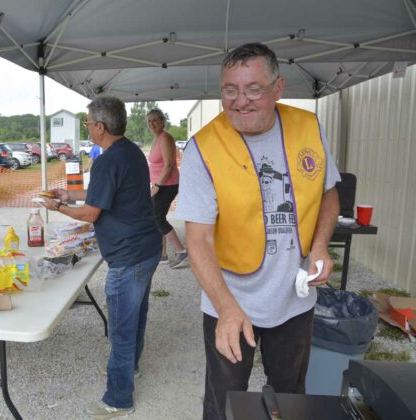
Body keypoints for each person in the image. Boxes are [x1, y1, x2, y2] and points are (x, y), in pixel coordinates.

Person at [175, 43, 340, 420]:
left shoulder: (308, 127)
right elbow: (197, 239)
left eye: (253, 89)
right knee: (224, 401)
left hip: (295, 302)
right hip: (229, 300)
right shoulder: (203, 148)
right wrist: (227, 310)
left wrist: (320, 247)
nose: (240, 101)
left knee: (291, 398)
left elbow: (329, 193)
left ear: (278, 88)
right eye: (229, 90)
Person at [41, 96, 161, 419]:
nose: (88, 128)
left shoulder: (107, 160)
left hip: (128, 255)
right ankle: (131, 367)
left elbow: (92, 213)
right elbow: (104, 193)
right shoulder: (130, 151)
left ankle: (119, 398)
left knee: (121, 327)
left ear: (101, 127)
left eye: (88, 123)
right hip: (147, 248)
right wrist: (71, 194)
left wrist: (60, 207)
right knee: (136, 315)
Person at [146, 108, 188, 268]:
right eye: (149, 121)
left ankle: (180, 250)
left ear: (163, 121)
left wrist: (157, 185)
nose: (152, 124)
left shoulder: (165, 138)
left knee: (157, 217)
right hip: (159, 184)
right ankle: (162, 254)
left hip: (167, 184)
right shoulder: (157, 139)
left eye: (155, 120)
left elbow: (169, 164)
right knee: (156, 216)